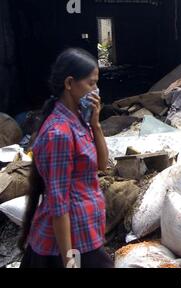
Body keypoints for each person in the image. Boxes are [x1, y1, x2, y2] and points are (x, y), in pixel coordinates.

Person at [19, 48, 113, 268]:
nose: (96, 90)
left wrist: (96, 124)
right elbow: (58, 205)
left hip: (85, 232)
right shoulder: (59, 133)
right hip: (69, 243)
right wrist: (70, 262)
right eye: (91, 83)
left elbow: (102, 165)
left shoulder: (79, 120)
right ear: (69, 84)